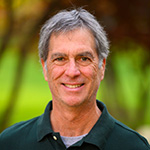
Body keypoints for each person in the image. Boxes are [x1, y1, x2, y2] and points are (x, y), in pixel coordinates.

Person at [0, 8, 149, 150]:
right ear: (45, 67)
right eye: (60, 58)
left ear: (101, 67)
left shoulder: (134, 146)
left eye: (84, 58)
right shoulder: (9, 143)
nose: (72, 72)